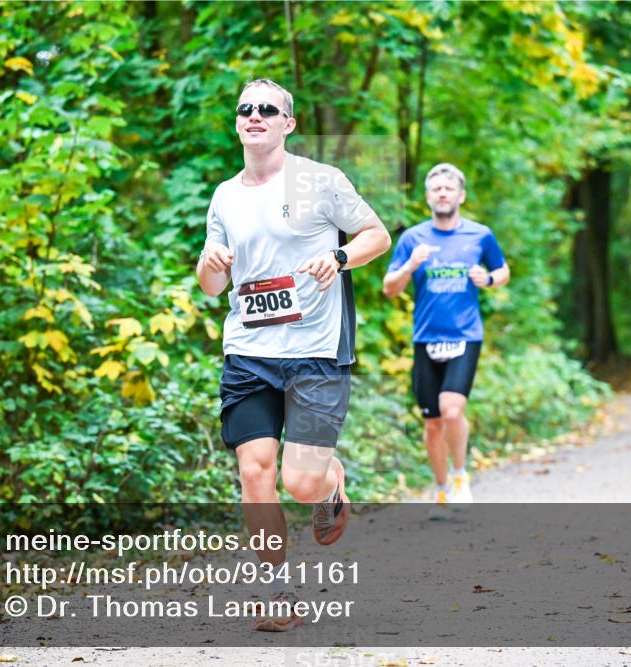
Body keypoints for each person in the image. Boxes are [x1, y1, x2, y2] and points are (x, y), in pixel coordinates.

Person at [197, 78, 391, 631]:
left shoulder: (319, 181)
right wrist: (211, 264)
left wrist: (340, 256)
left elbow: (376, 235)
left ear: (289, 123)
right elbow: (212, 285)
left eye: (267, 109)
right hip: (249, 350)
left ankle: (328, 482)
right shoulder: (225, 196)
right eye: (245, 109)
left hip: (315, 351)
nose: (254, 115)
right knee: (254, 471)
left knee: (298, 484)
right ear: (237, 123)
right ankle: (278, 593)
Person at [382, 163, 509, 510]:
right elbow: (388, 289)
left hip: (465, 335)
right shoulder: (413, 239)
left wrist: (490, 279)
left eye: (448, 189)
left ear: (461, 196)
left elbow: (503, 269)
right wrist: (409, 266)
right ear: (427, 197)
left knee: (451, 410)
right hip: (426, 338)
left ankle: (459, 474)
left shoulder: (480, 235)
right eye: (436, 188)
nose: (442, 193)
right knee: (433, 422)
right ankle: (440, 487)